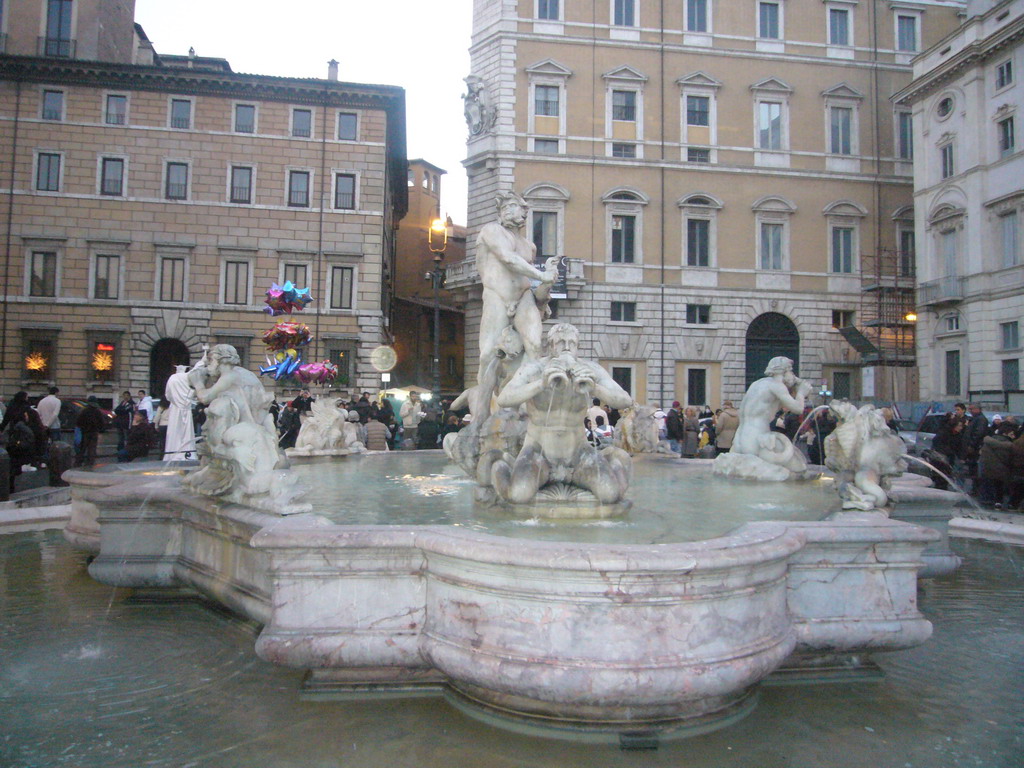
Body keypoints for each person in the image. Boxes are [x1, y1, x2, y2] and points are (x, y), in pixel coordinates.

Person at [490, 323, 633, 504]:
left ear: (577, 346)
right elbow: (504, 399)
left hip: (578, 452)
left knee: (610, 495)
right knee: (518, 495)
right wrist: (541, 384)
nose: (566, 347)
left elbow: (625, 400)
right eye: (560, 343)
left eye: (571, 343)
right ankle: (502, 466)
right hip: (539, 452)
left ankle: (612, 462)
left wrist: (595, 388)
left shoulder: (591, 369)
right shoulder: (534, 369)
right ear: (550, 346)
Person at [475, 190, 559, 367]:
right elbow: (508, 258)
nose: (511, 211)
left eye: (517, 207)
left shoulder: (530, 246)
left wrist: (545, 291)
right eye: (508, 207)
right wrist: (542, 274)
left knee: (535, 346)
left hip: (524, 297)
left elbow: (528, 274)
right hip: (498, 295)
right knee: (488, 355)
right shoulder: (491, 231)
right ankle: (485, 394)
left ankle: (526, 389)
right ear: (501, 212)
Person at [730, 356, 812, 475]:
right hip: (757, 441)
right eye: (791, 371)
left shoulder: (757, 384)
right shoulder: (777, 385)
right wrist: (801, 393)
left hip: (739, 441)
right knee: (799, 465)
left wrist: (794, 385)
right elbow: (798, 409)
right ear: (785, 371)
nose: (793, 375)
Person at [163, 365, 197, 461]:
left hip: (175, 407)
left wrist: (175, 400)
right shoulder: (187, 377)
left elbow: (167, 394)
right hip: (186, 407)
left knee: (174, 429)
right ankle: (187, 453)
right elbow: (193, 391)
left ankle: (173, 452)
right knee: (186, 430)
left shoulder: (172, 378)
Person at [6, 411, 38, 492]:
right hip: (19, 452)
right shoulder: (23, 427)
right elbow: (30, 438)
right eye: (26, 415)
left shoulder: (14, 426)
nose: (27, 417)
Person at [74, 396, 107, 468]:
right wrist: (101, 429)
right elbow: (102, 423)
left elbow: (78, 422)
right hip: (94, 432)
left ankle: (78, 463)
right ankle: (90, 464)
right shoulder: (98, 411)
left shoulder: (84, 411)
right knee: (92, 449)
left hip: (85, 432)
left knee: (82, 449)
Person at [962, 403, 988, 492]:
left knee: (975, 469)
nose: (970, 411)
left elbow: (978, 433)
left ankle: (976, 488)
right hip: (973, 448)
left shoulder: (981, 419)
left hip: (975, 448)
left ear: (978, 409)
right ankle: (975, 487)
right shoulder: (975, 419)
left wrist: (972, 445)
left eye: (971, 409)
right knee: (972, 469)